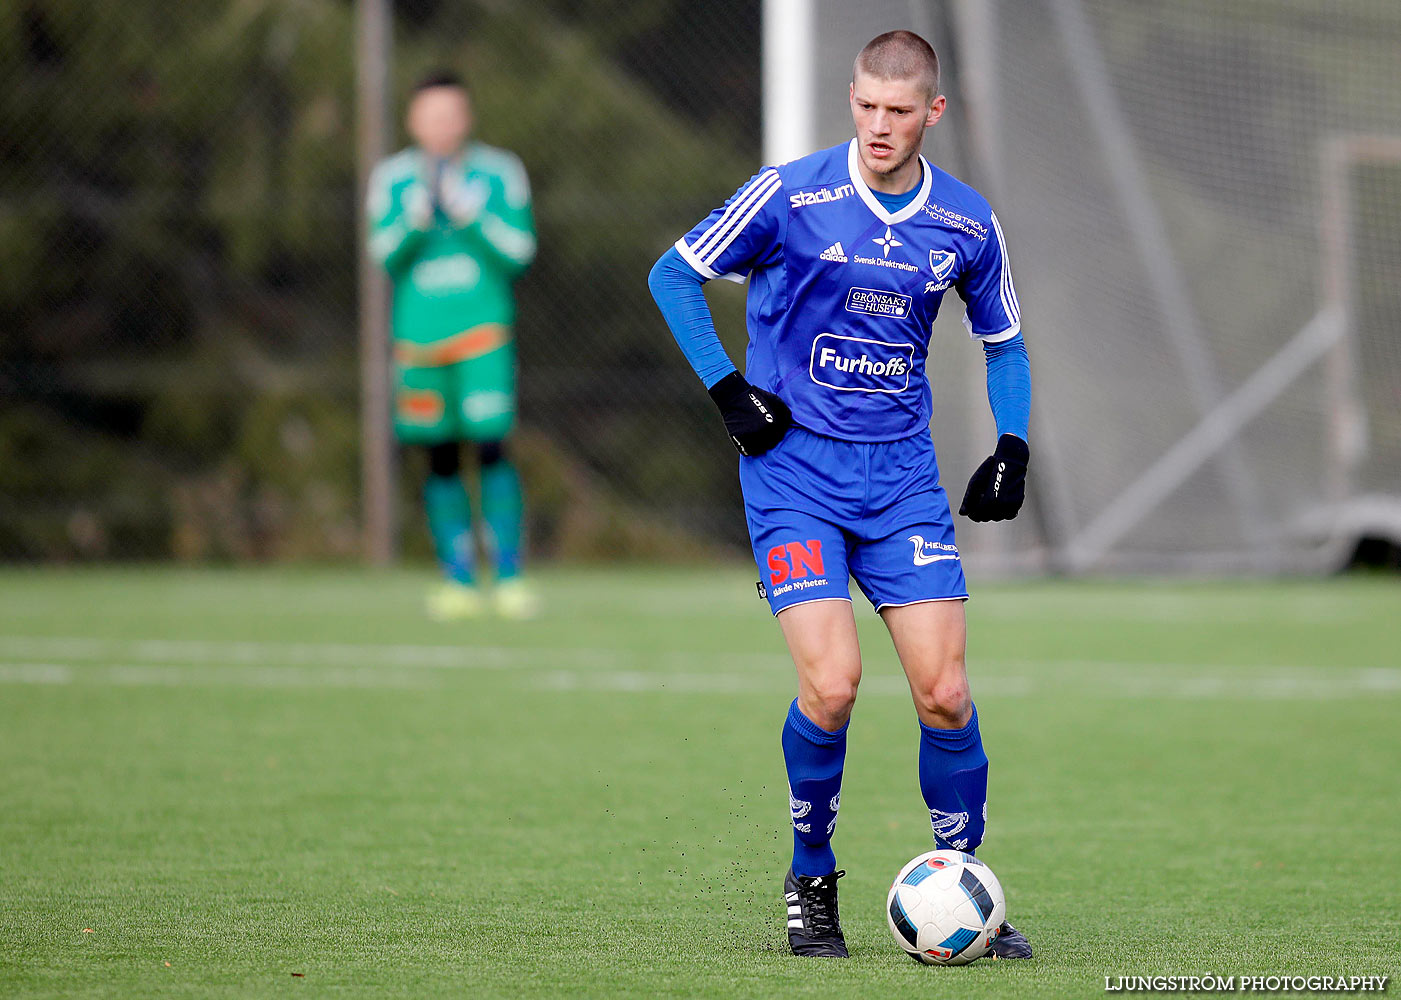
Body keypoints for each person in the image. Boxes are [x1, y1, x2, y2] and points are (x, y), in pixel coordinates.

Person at [648, 31, 1033, 959]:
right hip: (794, 479)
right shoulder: (788, 193)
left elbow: (1003, 343)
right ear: (851, 98)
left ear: (931, 114)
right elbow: (675, 274)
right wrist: (727, 391)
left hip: (901, 480)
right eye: (864, 105)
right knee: (833, 685)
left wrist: (1011, 444)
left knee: (943, 692)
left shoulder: (967, 221)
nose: (877, 126)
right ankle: (810, 877)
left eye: (898, 111)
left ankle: (964, 882)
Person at [367, 70, 538, 620]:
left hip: (483, 334)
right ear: (413, 120)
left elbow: (519, 250)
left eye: (452, 114)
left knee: (491, 446)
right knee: (438, 456)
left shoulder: (498, 171)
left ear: (467, 118)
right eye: (432, 115)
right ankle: (457, 578)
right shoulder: (392, 178)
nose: (443, 125)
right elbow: (383, 254)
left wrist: (472, 214)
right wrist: (417, 218)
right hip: (419, 342)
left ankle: (508, 575)